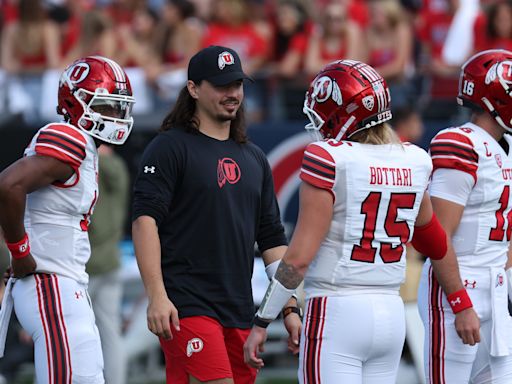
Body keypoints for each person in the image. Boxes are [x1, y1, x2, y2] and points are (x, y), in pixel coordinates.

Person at [243, 59, 480, 384]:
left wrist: (262, 320)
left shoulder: (329, 157)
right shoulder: (413, 159)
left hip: (336, 309)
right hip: (390, 313)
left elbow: (297, 260)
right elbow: (435, 243)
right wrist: (461, 301)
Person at [131, 45, 302, 384]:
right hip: (186, 304)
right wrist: (157, 296)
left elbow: (272, 240)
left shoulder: (254, 157)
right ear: (193, 89)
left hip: (239, 309)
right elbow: (143, 221)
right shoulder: (169, 147)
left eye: (237, 84)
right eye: (222, 85)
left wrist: (290, 306)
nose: (233, 93)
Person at [0, 55, 135, 383]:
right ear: (76, 103)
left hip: (67, 284)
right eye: (106, 107)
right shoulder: (69, 137)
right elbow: (8, 185)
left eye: (119, 108)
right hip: (50, 284)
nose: (115, 116)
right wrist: (19, 252)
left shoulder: (86, 147)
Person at [418, 49, 512, 383]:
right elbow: (439, 235)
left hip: (496, 292)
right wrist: (460, 302)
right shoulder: (460, 142)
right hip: (458, 287)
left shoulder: (505, 146)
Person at [87, 144, 130, 384]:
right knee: (111, 334)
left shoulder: (90, 164)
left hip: (87, 264)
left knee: (77, 332)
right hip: (112, 260)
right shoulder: (120, 167)